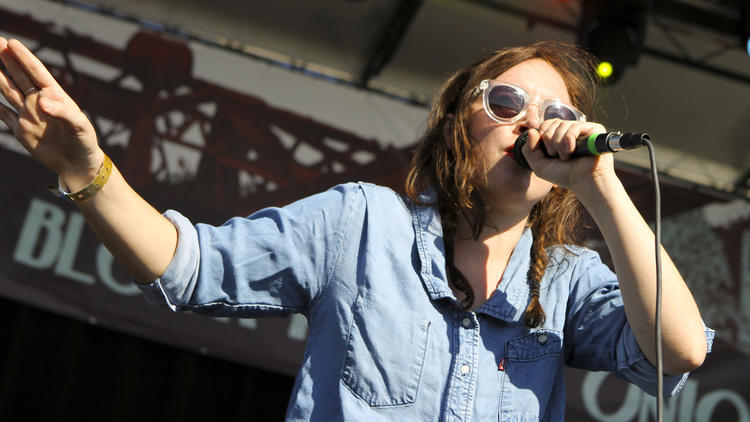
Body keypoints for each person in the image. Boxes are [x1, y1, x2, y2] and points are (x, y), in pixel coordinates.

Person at [0, 37, 712, 421]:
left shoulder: (565, 281)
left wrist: (600, 183)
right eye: (507, 101)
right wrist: (87, 172)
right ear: (459, 125)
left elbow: (679, 351)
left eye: (552, 114)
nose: (532, 123)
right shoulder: (361, 223)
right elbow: (190, 268)